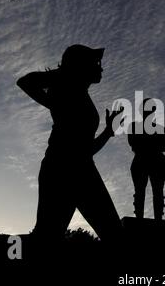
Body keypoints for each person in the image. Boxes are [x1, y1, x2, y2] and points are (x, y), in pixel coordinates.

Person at [17, 44, 123, 246]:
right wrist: (56, 92)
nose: (101, 67)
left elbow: (87, 151)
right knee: (45, 239)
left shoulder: (82, 95)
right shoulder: (67, 87)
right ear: (81, 65)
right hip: (60, 169)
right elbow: (25, 81)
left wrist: (108, 132)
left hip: (82, 169)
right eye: (96, 62)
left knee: (116, 238)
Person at [128, 98, 165, 220]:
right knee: (140, 192)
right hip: (143, 161)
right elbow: (133, 143)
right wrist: (154, 144)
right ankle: (139, 219)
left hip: (155, 162)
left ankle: (157, 219)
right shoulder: (134, 126)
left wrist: (148, 143)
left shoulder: (161, 129)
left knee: (157, 193)